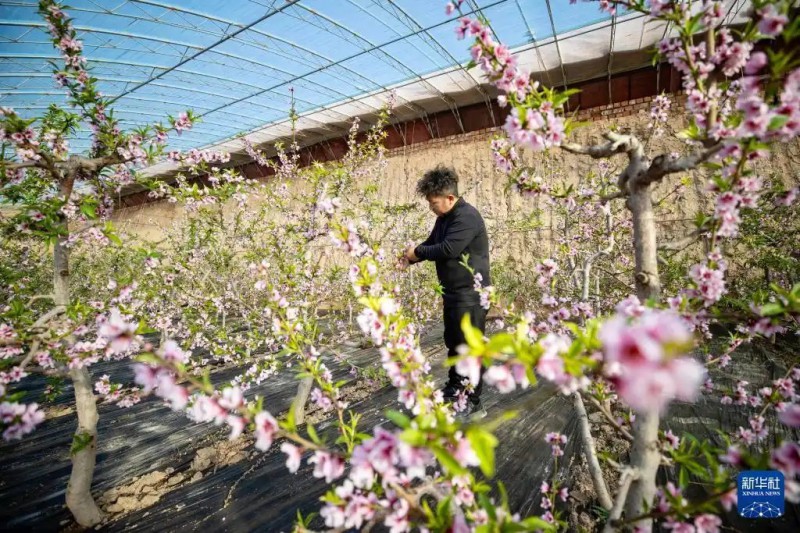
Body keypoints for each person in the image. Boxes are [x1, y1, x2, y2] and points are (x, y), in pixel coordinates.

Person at [404, 165, 491, 419]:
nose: (431, 207)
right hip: (452, 293)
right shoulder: (443, 218)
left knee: (469, 346)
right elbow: (433, 243)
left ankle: (473, 401)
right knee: (454, 343)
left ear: (450, 198)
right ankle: (456, 389)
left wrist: (417, 253)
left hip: (471, 294)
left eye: (434, 202)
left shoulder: (467, 217)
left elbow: (448, 249)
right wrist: (411, 258)